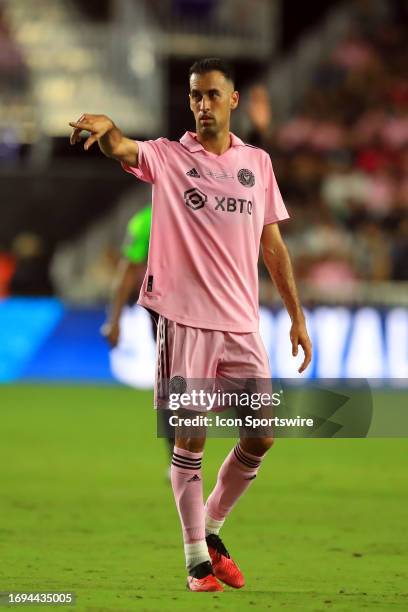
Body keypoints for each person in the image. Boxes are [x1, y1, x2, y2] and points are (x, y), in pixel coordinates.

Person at [69, 57, 312, 593]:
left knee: (262, 436)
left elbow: (272, 245)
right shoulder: (171, 157)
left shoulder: (258, 164)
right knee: (191, 438)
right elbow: (124, 149)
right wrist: (108, 131)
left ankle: (214, 527)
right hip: (186, 324)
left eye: (211, 95)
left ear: (233, 100)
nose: (202, 104)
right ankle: (197, 560)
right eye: (195, 96)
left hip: (243, 325)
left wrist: (296, 317)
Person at [101, 204, 175, 463]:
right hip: (165, 308)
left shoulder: (205, 208)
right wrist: (115, 319)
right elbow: (129, 268)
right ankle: (178, 459)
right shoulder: (146, 220)